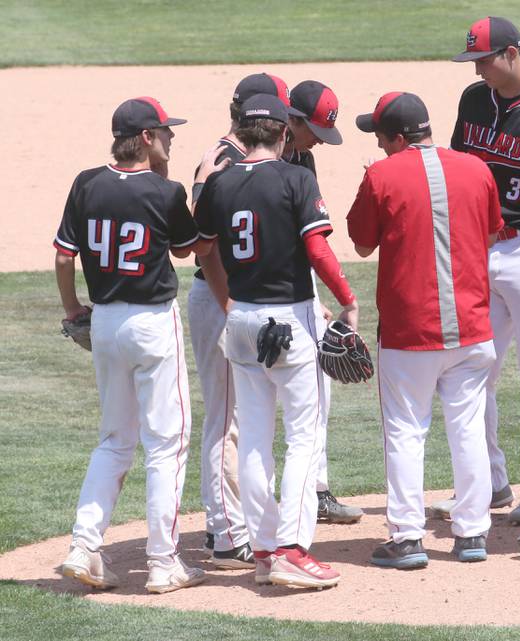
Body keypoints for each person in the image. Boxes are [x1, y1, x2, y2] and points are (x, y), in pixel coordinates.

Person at [194, 93, 359, 589]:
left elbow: (204, 251)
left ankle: (264, 546)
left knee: (255, 441)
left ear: (241, 133)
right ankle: (291, 548)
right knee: (305, 436)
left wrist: (230, 306)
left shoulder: (219, 184)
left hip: (241, 323)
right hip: (289, 322)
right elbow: (317, 247)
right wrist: (349, 299)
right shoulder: (296, 178)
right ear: (284, 132)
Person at [55, 97, 216, 593]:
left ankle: (84, 546)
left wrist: (73, 310)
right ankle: (164, 562)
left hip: (104, 324)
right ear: (146, 137)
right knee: (166, 443)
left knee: (114, 440)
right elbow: (199, 247)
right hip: (151, 324)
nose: (170, 138)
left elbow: (64, 257)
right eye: (165, 132)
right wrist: (202, 188)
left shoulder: (86, 183)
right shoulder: (164, 191)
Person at [347, 92, 504, 568]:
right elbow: (493, 233)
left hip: (408, 333)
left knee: (405, 431)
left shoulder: (382, 174)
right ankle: (473, 534)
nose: (378, 144)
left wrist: (373, 184)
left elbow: (360, 241)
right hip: (474, 327)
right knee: (468, 429)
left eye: (380, 136)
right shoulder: (477, 169)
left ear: (397, 137)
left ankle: (409, 537)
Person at [435, 16, 520, 526]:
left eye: (483, 60)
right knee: (472, 372)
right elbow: (460, 170)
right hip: (478, 250)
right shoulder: (474, 102)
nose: (477, 70)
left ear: (512, 53)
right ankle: (487, 483)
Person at [188, 72, 302, 569]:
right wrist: (230, 304)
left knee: (236, 419)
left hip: (237, 304)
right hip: (224, 301)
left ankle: (232, 525)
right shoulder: (223, 161)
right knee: (227, 419)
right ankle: (224, 530)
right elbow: (202, 247)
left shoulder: (233, 159)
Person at [285, 79, 364, 525]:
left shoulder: (304, 158)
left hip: (297, 286)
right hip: (253, 291)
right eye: (313, 129)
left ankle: (318, 490)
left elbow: (309, 238)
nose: (317, 139)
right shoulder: (254, 156)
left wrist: (313, 295)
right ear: (289, 118)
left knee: (320, 392)